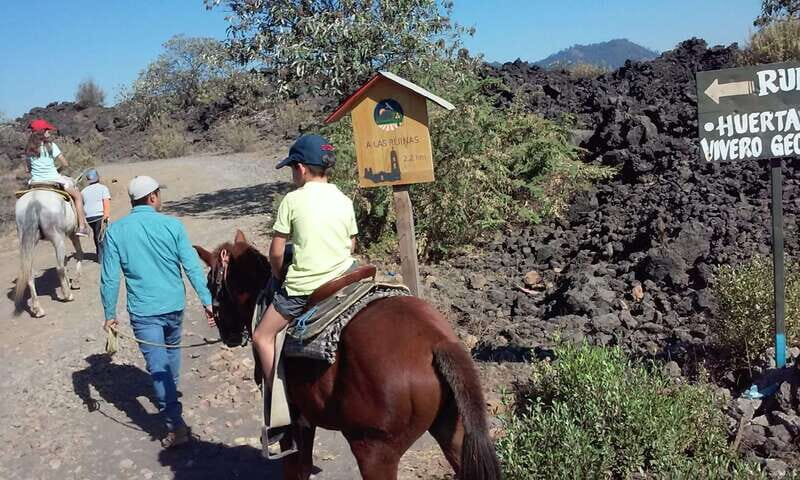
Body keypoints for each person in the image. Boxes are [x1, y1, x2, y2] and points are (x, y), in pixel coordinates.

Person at [252, 134, 358, 444]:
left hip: (305, 286)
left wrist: (277, 273)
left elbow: (275, 252)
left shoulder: (292, 200)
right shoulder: (343, 198)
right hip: (345, 278)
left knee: (262, 335)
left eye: (291, 169)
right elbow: (351, 243)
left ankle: (281, 403)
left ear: (300, 169)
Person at [100, 175, 215, 449]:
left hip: (144, 311)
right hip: (174, 305)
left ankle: (174, 421)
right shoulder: (172, 225)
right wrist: (207, 301)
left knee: (158, 366)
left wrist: (109, 313)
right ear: (152, 197)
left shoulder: (116, 231)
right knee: (169, 359)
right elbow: (191, 266)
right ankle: (174, 415)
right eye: (158, 195)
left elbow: (110, 277)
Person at [24, 119, 89, 236]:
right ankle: (82, 226)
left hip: (35, 182)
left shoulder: (29, 149)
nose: (49, 132)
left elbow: (27, 169)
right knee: (78, 196)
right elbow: (65, 163)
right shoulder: (51, 146)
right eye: (47, 130)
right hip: (53, 179)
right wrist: (58, 171)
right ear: (42, 132)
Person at [80, 169, 111, 259]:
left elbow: (82, 205)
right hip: (100, 215)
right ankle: (102, 255)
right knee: (102, 234)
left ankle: (100, 253)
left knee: (96, 233)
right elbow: (106, 203)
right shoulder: (103, 188)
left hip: (89, 217)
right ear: (98, 178)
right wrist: (106, 217)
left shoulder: (83, 191)